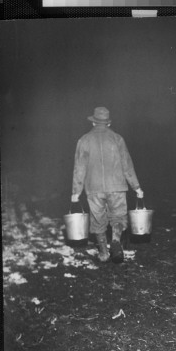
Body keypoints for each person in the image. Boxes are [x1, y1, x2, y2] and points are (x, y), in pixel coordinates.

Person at [71, 107, 144, 264]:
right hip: (117, 186)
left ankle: (103, 252)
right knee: (118, 216)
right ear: (108, 124)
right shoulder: (117, 139)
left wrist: (76, 191)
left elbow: (79, 168)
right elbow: (127, 165)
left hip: (94, 188)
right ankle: (116, 241)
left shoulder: (84, 140)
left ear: (93, 123)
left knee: (98, 220)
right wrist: (136, 187)